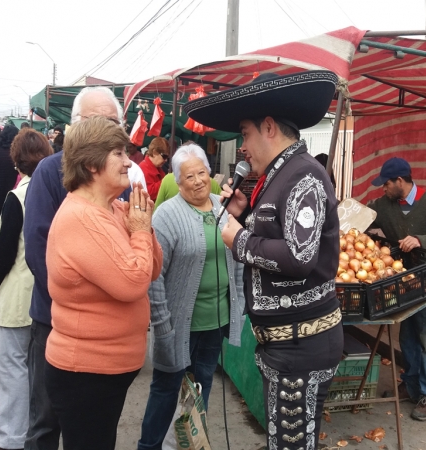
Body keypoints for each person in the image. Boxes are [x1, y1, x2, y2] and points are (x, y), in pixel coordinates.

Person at [185, 71, 343, 449]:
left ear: (268, 127)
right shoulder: (279, 176)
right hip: (285, 347)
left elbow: (299, 256)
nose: (243, 147)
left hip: (302, 346)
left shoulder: (303, 175)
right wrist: (243, 217)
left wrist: (239, 238)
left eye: (245, 133)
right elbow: (276, 237)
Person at [23, 85, 131, 450]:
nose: (107, 129)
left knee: (91, 428)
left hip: (104, 336)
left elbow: (128, 249)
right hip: (56, 318)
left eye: (113, 122)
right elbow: (38, 250)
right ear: (75, 127)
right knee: (46, 420)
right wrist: (75, 298)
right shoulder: (50, 171)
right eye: (96, 121)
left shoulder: (119, 176)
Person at [44, 116, 162, 449]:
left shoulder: (108, 209)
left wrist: (143, 226)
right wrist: (139, 230)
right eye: (119, 153)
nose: (129, 162)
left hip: (103, 372)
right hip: (85, 373)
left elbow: (152, 268)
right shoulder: (81, 218)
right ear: (92, 164)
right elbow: (134, 282)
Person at [137, 143, 245, 450]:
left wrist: (238, 302)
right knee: (166, 389)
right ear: (177, 180)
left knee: (202, 386)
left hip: (215, 320)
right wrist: (162, 325)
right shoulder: (166, 216)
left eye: (201, 173)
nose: (197, 181)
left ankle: (186, 444)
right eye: (188, 176)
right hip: (178, 325)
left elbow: (237, 256)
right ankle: (150, 446)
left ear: (210, 174)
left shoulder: (222, 206)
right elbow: (154, 276)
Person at [368, 157, 426, 421]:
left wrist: (419, 240)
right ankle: (412, 384)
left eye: (386, 184)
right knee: (407, 337)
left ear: (400, 182)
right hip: (404, 281)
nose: (383, 189)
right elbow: (362, 214)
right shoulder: (384, 205)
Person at [0, 129, 53, 450]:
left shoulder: (18, 197)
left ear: (16, 162)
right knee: (37, 373)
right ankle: (32, 435)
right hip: (46, 296)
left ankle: (10, 439)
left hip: (17, 296)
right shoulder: (59, 193)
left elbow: (5, 252)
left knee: (12, 367)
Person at [139, 137, 168, 201]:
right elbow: (150, 193)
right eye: (164, 156)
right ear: (154, 152)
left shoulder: (157, 167)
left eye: (167, 157)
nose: (166, 160)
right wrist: (167, 181)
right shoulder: (143, 168)